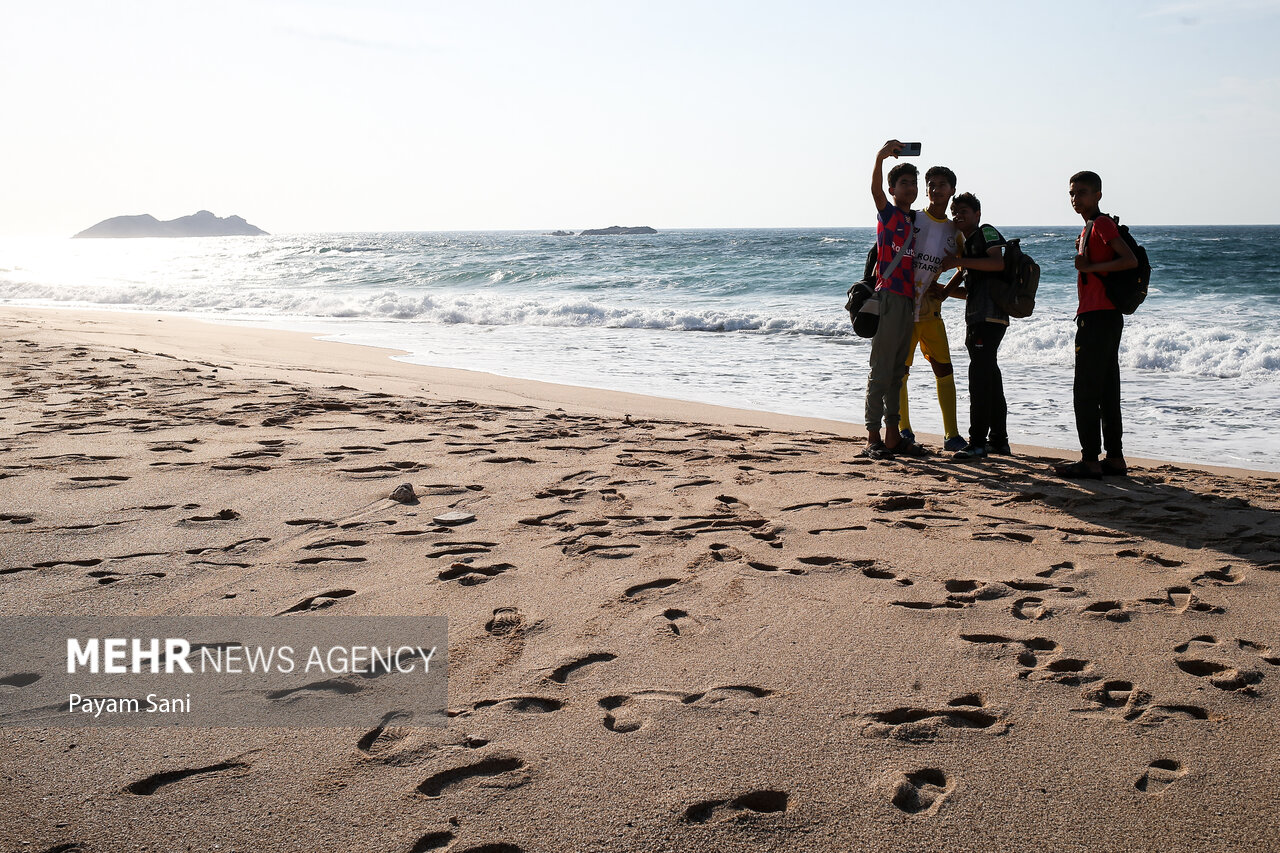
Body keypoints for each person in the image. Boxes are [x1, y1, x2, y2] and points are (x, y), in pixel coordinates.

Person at [1054, 170, 1137, 479]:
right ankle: (1114, 458)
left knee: (1086, 390)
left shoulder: (1101, 224)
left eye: (1083, 192)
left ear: (1098, 195)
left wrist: (1092, 265)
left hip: (1098, 316)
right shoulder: (1091, 227)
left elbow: (1129, 260)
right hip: (1105, 315)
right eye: (1072, 193)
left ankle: (1090, 460)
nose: (1076, 198)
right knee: (1106, 389)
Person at [863, 140, 926, 459]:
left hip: (907, 301)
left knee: (899, 371)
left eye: (914, 183)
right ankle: (873, 436)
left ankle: (892, 436)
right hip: (888, 297)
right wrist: (880, 157)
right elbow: (874, 190)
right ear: (892, 188)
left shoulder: (914, 221)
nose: (911, 188)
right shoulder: (888, 214)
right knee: (881, 368)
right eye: (904, 183)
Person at [898, 166, 966, 453]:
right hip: (901, 304)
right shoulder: (914, 219)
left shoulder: (955, 230)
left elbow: (965, 265)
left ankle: (951, 435)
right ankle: (903, 430)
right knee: (900, 370)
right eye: (931, 184)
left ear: (951, 190)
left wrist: (947, 290)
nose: (936, 189)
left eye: (942, 185)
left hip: (929, 309)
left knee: (944, 369)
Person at [939, 192, 1009, 459]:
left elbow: (997, 262)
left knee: (979, 379)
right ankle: (999, 441)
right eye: (954, 212)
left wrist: (958, 261)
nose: (958, 216)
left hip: (989, 318)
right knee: (990, 378)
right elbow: (973, 288)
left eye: (964, 211)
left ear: (977, 214)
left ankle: (977, 442)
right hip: (980, 316)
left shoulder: (986, 232)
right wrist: (943, 292)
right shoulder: (967, 246)